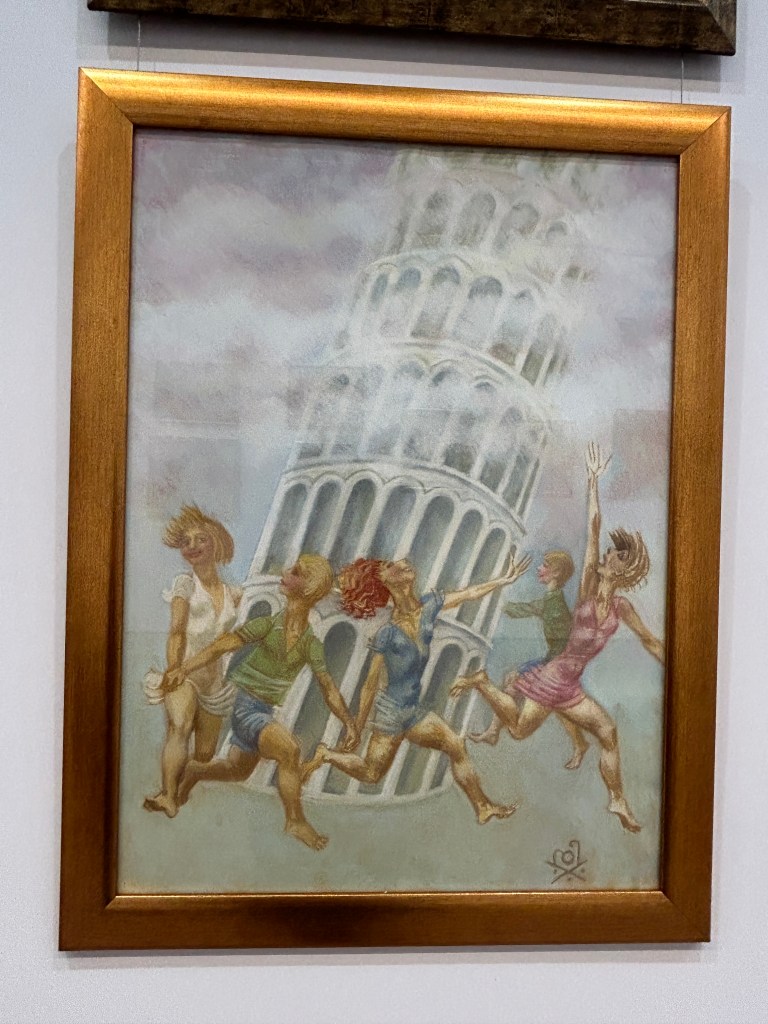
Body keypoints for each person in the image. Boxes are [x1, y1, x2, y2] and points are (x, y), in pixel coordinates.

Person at [451, 443, 664, 833]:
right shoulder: (586, 590)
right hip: (553, 678)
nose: (607, 555)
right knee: (518, 730)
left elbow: (650, 641)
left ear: (624, 569)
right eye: (609, 552)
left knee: (608, 732)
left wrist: (678, 665)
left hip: (571, 687)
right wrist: (593, 481)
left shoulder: (622, 608)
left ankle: (617, 799)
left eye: (616, 556)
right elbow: (594, 528)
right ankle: (481, 682)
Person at [302, 552, 531, 824]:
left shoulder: (428, 607)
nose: (402, 563)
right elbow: (370, 685)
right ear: (384, 581)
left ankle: (482, 807)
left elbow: (469, 594)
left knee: (455, 744)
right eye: (391, 566)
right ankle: (326, 754)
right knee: (372, 774)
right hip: (390, 714)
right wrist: (357, 727)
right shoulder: (387, 633)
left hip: (413, 711)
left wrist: (503, 580)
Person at [166, 554, 358, 851]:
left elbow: (329, 688)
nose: (286, 571)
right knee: (290, 751)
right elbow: (221, 646)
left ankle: (195, 771)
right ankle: (295, 820)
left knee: (237, 770)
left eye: (296, 572)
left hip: (264, 710)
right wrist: (183, 669)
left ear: (308, 588)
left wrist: (348, 723)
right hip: (246, 708)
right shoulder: (268, 625)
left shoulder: (310, 644)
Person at [143, 505, 242, 819]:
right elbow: (176, 631)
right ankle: (168, 795)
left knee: (205, 753)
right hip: (183, 673)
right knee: (180, 727)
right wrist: (174, 667)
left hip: (215, 682)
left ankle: (178, 789)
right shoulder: (184, 584)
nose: (192, 546)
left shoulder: (234, 594)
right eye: (186, 542)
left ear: (217, 542)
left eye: (201, 539)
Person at [470, 549, 590, 770]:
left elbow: (519, 611)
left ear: (556, 573)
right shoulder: (551, 599)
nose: (539, 568)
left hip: (558, 664)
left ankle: (579, 744)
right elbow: (523, 610)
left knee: (554, 702)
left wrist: (493, 594)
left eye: (544, 565)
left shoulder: (553, 604)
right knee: (517, 685)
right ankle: (493, 732)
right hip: (553, 660)